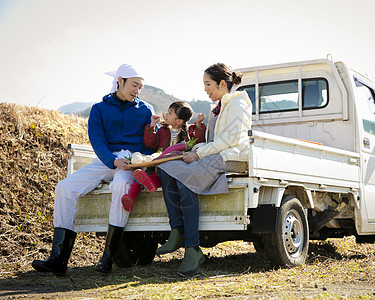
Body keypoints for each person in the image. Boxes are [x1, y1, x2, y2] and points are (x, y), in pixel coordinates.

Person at [31, 64, 155, 274]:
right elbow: (97, 141)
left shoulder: (146, 109)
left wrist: (151, 134)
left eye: (141, 87)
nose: (138, 90)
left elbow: (149, 145)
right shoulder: (99, 108)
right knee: (65, 188)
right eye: (134, 85)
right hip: (106, 159)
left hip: (132, 161)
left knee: (120, 187)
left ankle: (107, 258)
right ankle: (59, 259)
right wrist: (112, 161)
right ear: (120, 81)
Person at [156, 63, 252, 276]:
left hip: (231, 156)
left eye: (208, 84)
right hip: (217, 153)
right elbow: (213, 139)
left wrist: (199, 153)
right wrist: (198, 148)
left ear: (222, 83)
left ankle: (192, 247)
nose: (205, 89)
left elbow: (231, 139)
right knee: (166, 166)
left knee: (185, 175)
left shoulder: (238, 103)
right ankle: (178, 229)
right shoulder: (217, 106)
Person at [121, 101, 206, 212]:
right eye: (168, 111)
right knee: (146, 172)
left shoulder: (188, 133)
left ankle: (153, 183)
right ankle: (131, 196)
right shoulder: (162, 130)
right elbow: (150, 143)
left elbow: (198, 142)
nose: (166, 114)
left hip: (176, 165)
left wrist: (199, 125)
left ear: (179, 121)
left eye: (170, 113)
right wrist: (152, 126)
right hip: (159, 162)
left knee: (157, 172)